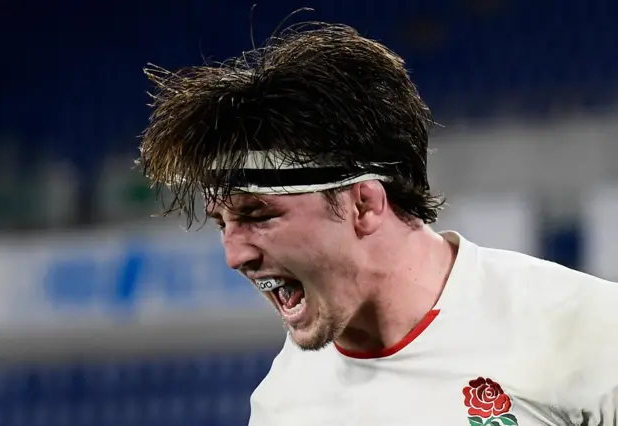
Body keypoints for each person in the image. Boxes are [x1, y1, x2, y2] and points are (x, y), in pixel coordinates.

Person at [138, 21, 618, 426]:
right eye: (222, 222)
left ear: (364, 205)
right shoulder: (282, 407)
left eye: (257, 215)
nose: (234, 254)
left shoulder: (586, 329)